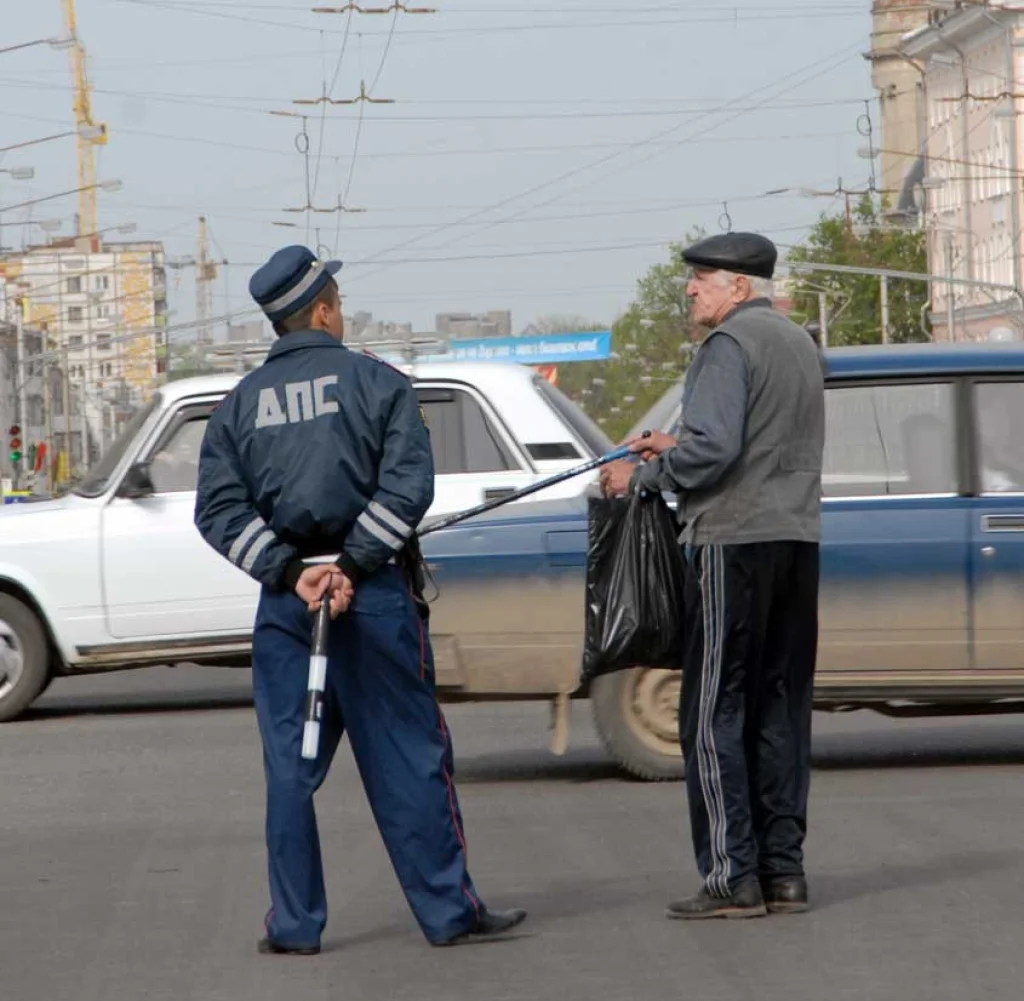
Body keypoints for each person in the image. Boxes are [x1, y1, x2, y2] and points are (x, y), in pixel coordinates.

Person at [193, 245, 526, 955]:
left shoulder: (238, 405)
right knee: (408, 756)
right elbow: (408, 488)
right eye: (338, 302)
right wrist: (350, 567)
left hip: (289, 607)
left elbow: (218, 511)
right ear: (322, 311)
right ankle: (448, 913)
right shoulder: (379, 383)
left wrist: (293, 573)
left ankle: (294, 927)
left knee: (291, 768)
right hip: (371, 599)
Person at [600, 232, 825, 920]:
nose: (690, 288)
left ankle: (731, 877)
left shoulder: (726, 344)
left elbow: (715, 452)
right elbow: (757, 440)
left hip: (732, 541)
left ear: (740, 286)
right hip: (795, 538)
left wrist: (645, 475)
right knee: (779, 708)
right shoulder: (797, 342)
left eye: (703, 277)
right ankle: (783, 872)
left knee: (711, 711)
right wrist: (680, 442)